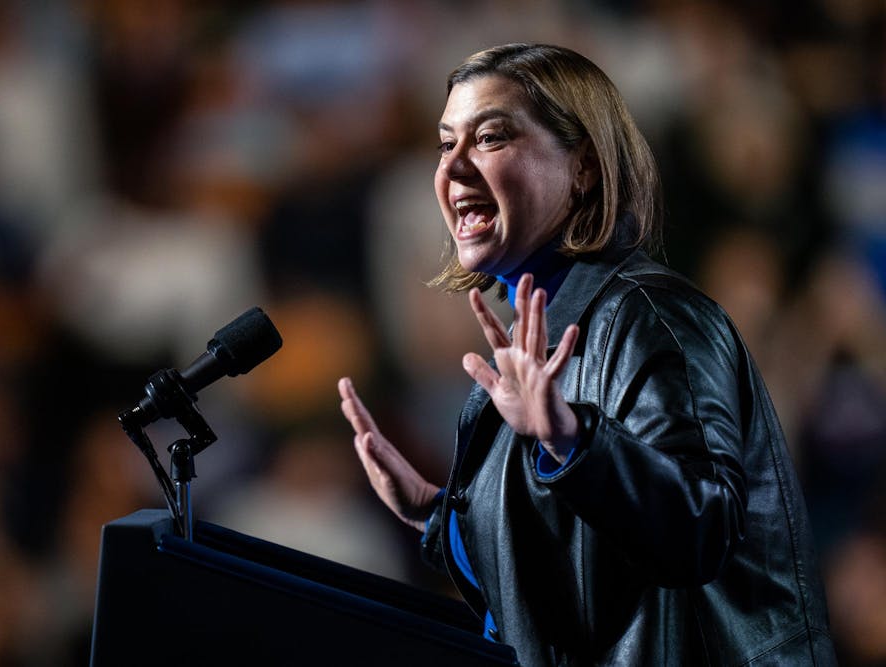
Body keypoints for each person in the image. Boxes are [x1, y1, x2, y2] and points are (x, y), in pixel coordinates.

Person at [338, 43, 836, 666]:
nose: (454, 168)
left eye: (490, 138)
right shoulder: (531, 338)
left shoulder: (652, 318)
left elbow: (700, 531)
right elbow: (568, 575)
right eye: (445, 144)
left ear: (584, 168)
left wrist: (573, 442)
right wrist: (438, 517)